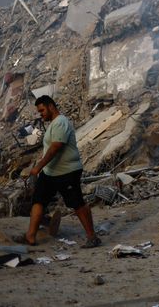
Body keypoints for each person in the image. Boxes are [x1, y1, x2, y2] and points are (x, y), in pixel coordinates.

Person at [16, 95, 100, 248]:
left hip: (67, 172)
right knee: (38, 200)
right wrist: (41, 167)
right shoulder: (53, 124)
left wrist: (38, 166)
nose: (41, 114)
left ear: (51, 107)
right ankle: (30, 236)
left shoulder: (61, 122)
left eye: (42, 110)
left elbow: (56, 147)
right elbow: (49, 148)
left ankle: (92, 237)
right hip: (50, 172)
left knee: (77, 203)